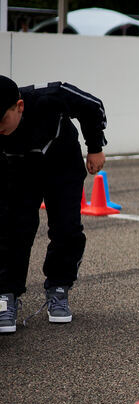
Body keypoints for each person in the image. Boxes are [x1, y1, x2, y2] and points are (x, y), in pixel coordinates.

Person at [0, 76, 108, 333]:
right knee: (12, 228)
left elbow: (92, 106)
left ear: (19, 107)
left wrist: (95, 147)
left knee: (66, 227)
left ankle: (59, 287)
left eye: (2, 119)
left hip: (62, 165)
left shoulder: (48, 97)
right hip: (19, 169)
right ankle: (6, 294)